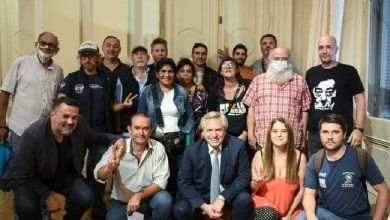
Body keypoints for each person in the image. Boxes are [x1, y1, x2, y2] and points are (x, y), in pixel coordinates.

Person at [1, 97, 125, 220]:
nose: (70, 121)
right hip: (32, 178)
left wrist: (117, 139)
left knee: (86, 198)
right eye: (65, 116)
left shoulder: (80, 124)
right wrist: (48, 197)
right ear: (53, 115)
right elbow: (24, 174)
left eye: (74, 117)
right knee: (26, 207)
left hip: (61, 175)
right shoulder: (32, 134)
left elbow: (97, 138)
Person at [59, 40, 114, 218]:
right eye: (84, 55)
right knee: (73, 171)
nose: (88, 59)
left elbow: (113, 104)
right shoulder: (72, 78)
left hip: (99, 134)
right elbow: (61, 103)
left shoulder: (107, 77)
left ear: (98, 57)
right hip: (75, 134)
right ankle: (73, 211)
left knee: (97, 174)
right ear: (80, 58)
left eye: (91, 55)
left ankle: (97, 208)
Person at [297, 114, 389, 220]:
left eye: (335, 132)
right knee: (302, 217)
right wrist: (311, 215)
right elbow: (309, 193)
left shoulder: (360, 157)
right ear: (320, 134)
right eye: (325, 132)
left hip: (356, 218)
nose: (330, 137)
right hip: (328, 215)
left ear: (344, 134)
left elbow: (384, 191)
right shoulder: (315, 160)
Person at [173, 111, 252, 220]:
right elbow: (183, 182)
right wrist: (203, 206)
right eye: (209, 130)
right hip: (201, 196)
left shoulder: (238, 146)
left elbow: (244, 177)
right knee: (181, 209)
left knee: (244, 199)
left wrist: (222, 197)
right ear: (203, 132)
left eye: (218, 130)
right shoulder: (192, 151)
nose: (214, 135)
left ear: (224, 130)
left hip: (227, 194)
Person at [94, 113, 173, 220]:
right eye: (137, 128)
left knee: (164, 200)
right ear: (129, 129)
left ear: (150, 131)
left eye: (145, 129)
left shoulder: (158, 148)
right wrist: (109, 167)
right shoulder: (118, 147)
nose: (141, 133)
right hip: (123, 202)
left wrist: (138, 195)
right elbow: (99, 175)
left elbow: (161, 181)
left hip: (148, 199)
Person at [138, 58, 193, 197]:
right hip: (156, 141)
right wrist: (150, 135)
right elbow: (141, 118)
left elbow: (190, 119)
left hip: (178, 142)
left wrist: (188, 143)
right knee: (160, 178)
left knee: (179, 178)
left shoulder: (181, 91)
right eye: (163, 71)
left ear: (175, 74)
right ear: (156, 74)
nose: (166, 75)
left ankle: (177, 209)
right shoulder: (148, 92)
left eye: (170, 71)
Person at [0, 31, 63, 150]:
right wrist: (2, 123)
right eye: (43, 43)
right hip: (21, 130)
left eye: (51, 45)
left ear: (56, 50)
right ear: (36, 45)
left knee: (42, 167)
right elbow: (5, 92)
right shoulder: (21, 63)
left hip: (45, 131)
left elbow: (57, 100)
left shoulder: (58, 70)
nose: (47, 47)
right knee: (20, 166)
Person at [306, 35, 366, 156]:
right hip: (316, 135)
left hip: (342, 134)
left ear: (336, 49)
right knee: (317, 172)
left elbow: (360, 99)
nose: (324, 51)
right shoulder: (311, 73)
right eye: (321, 47)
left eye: (328, 47)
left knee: (344, 172)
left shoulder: (349, 71)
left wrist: (359, 129)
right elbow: (306, 104)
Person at [243, 47, 311, 150]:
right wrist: (251, 134)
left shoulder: (300, 81)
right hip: (263, 140)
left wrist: (303, 136)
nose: (280, 62)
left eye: (284, 59)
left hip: (292, 141)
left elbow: (305, 111)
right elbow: (251, 110)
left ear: (290, 61)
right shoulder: (258, 81)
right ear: (268, 61)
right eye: (276, 58)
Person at [251, 117, 307, 220]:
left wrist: (288, 215)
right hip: (265, 207)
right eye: (275, 131)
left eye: (284, 131)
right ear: (270, 134)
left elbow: (302, 191)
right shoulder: (260, 155)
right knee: (268, 216)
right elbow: (253, 189)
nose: (279, 135)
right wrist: (255, 184)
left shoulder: (300, 158)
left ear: (289, 134)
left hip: (291, 209)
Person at [112, 46, 155, 137]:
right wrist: (123, 105)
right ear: (132, 59)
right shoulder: (122, 77)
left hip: (153, 130)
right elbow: (114, 107)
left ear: (148, 57)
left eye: (143, 53)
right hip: (129, 131)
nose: (139, 56)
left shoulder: (157, 76)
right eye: (136, 54)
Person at [176, 57, 208, 137]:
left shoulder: (201, 91)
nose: (185, 74)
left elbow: (207, 113)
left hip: (198, 133)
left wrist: (201, 130)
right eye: (182, 71)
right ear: (177, 74)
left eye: (189, 71)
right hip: (176, 134)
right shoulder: (173, 91)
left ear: (193, 74)